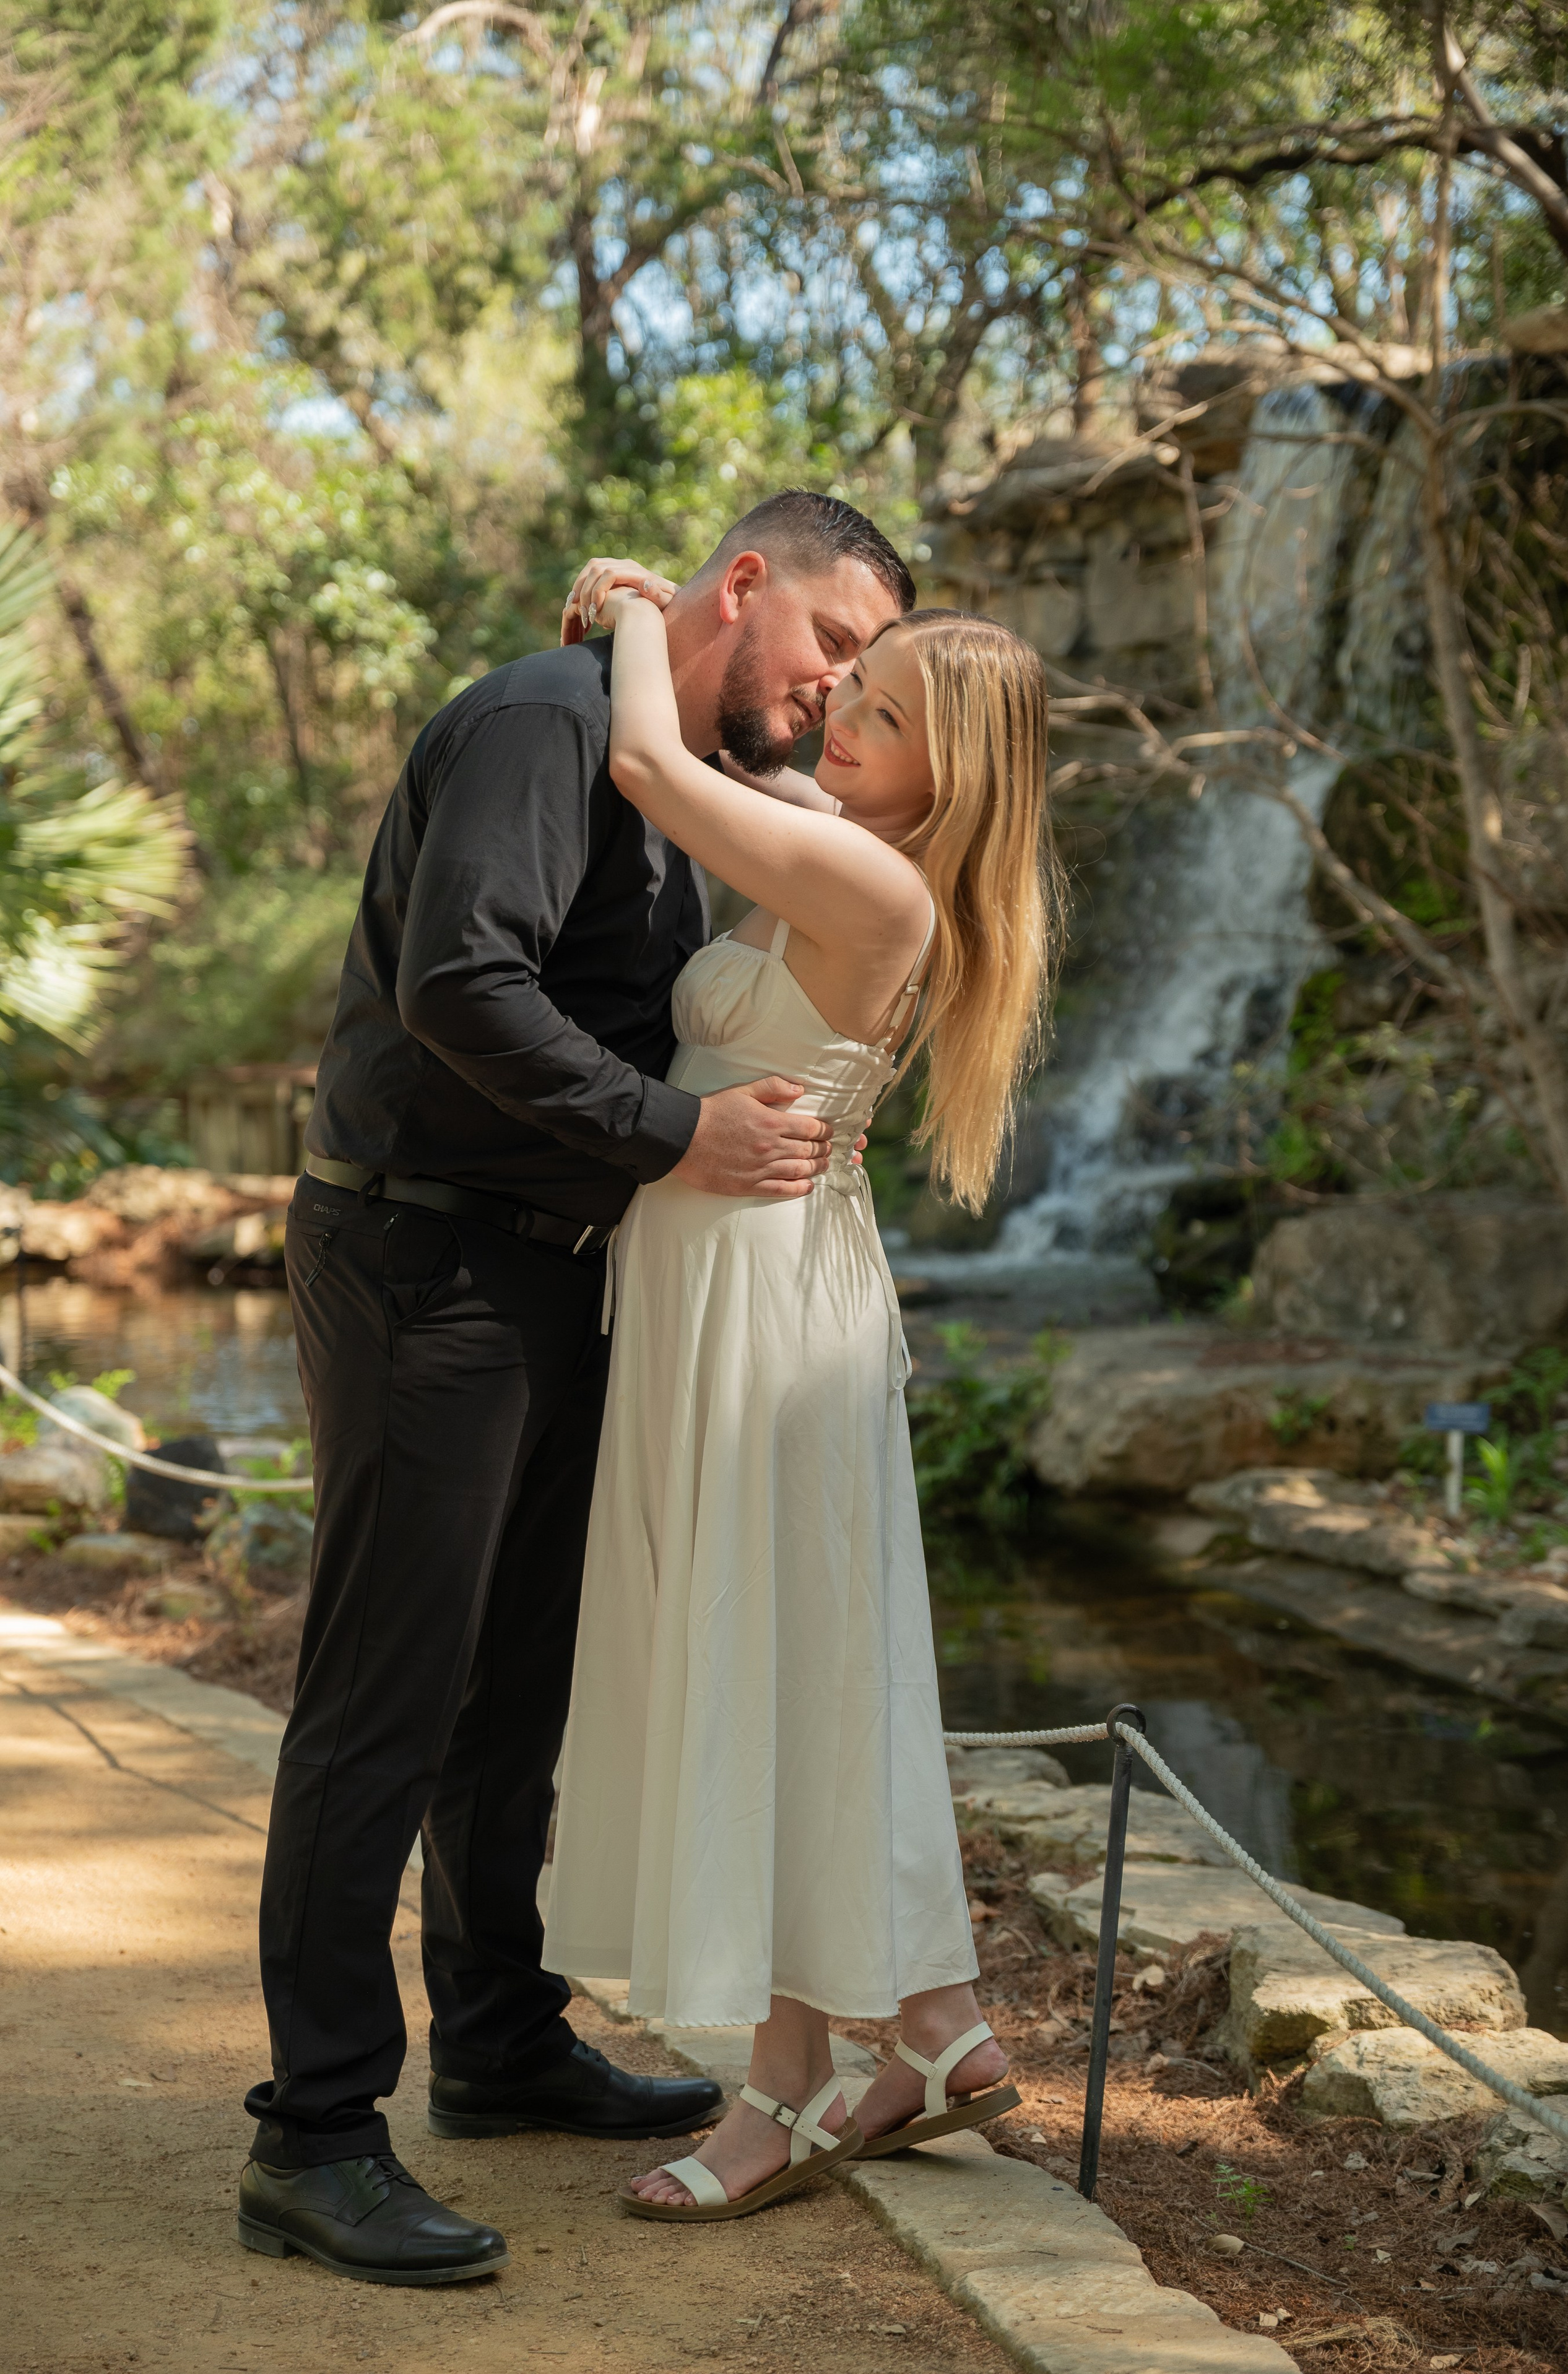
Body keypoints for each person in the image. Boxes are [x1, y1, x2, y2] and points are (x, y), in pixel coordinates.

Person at [237, 494, 917, 2286]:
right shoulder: (549, 724)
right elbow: (464, 980)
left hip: (548, 1264)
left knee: (510, 1692)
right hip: (421, 1259)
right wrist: (672, 1133)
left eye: (869, 671)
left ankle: (496, 2037)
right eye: (834, 642)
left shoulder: (665, 756)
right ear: (744, 583)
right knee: (382, 1696)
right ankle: (312, 2132)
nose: (840, 685)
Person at [542, 561, 1062, 2220]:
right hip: (735, 1286)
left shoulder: (882, 895)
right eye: (858, 677)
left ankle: (787, 2091)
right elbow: (730, 768)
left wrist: (637, 609)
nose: (841, 706)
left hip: (767, 1309)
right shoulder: (839, 841)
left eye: (888, 708)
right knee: (785, 1660)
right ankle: (925, 2027)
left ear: (952, 774)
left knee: (767, 1665)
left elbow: (647, 766)